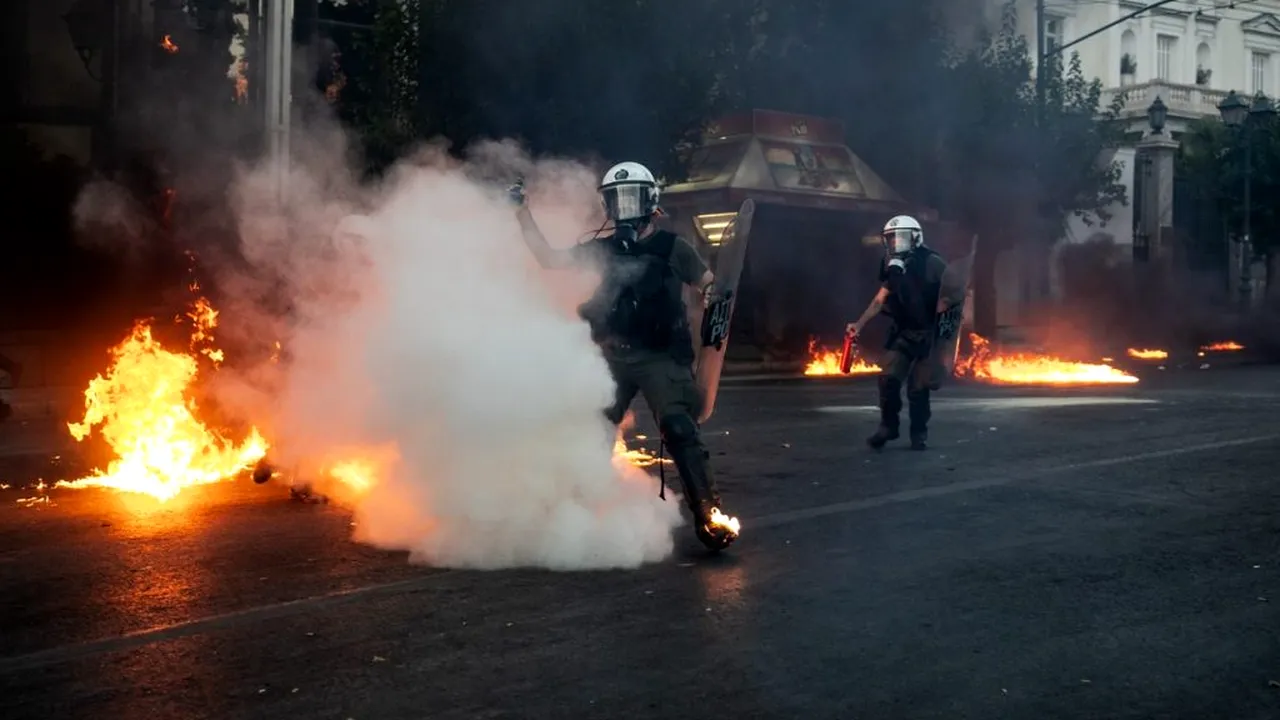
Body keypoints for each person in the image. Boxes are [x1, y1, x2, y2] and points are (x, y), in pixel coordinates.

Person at [511, 161, 738, 551]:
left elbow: (708, 285)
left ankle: (709, 516)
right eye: (617, 200)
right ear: (608, 206)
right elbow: (550, 259)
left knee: (680, 428)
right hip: (614, 354)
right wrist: (521, 212)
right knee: (592, 431)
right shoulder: (602, 248)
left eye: (632, 198)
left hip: (661, 358)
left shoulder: (672, 248)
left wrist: (713, 299)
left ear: (650, 202)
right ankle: (572, 515)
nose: (625, 209)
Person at [847, 215, 949, 451]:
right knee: (888, 379)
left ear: (915, 238)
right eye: (891, 238)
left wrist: (946, 331)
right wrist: (859, 324)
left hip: (929, 335)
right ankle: (888, 427)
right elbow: (879, 300)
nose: (895, 243)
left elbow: (952, 293)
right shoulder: (890, 265)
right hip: (903, 333)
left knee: (918, 387)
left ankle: (918, 433)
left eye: (900, 238)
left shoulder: (932, 262)